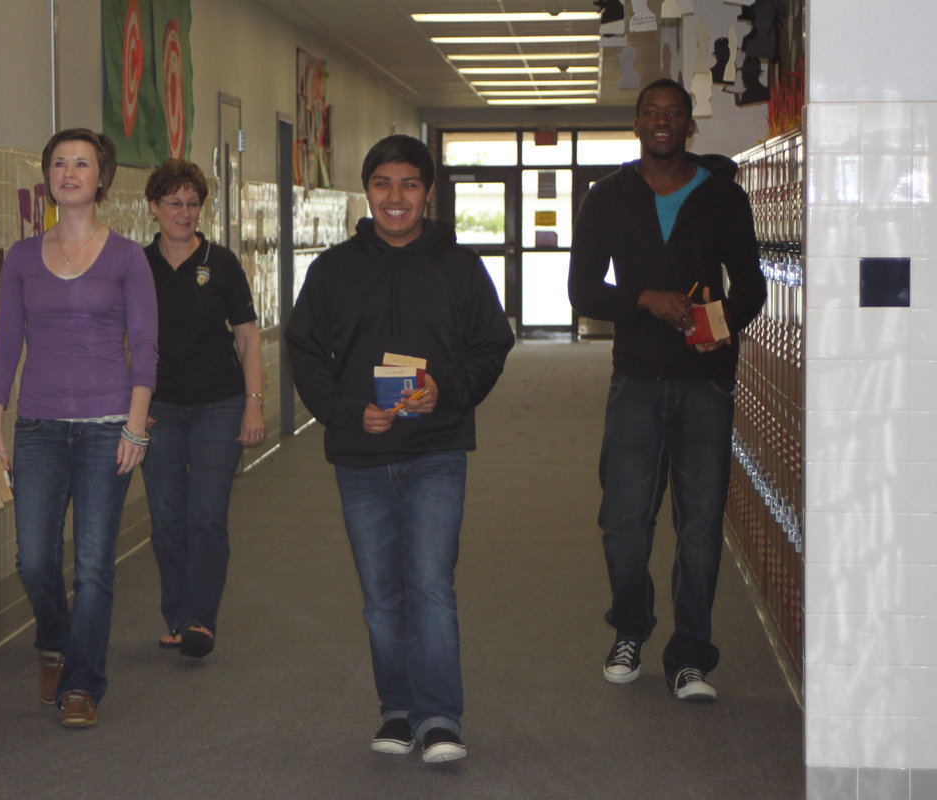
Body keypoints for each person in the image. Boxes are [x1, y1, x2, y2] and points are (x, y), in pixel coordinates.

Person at [285, 134, 514, 763]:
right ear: (368, 192)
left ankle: (439, 717)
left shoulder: (460, 268)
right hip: (360, 456)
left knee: (431, 586)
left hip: (436, 450)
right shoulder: (332, 271)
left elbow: (492, 345)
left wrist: (448, 392)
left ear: (428, 193)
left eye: (409, 184)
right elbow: (303, 351)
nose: (396, 197)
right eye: (383, 183)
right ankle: (397, 710)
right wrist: (343, 412)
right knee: (382, 595)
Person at [568, 79, 767, 701]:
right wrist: (642, 299)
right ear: (635, 124)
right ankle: (631, 626)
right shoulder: (606, 197)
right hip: (634, 382)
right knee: (622, 523)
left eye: (674, 114)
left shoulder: (723, 198)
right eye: (651, 113)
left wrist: (722, 325)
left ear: (689, 126)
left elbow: (753, 286)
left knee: (702, 525)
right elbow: (582, 291)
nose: (662, 122)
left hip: (705, 384)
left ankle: (690, 655)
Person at [0, 128, 157, 728]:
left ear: (102, 178)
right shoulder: (24, 258)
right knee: (34, 561)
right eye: (59, 163)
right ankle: (53, 639)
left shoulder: (129, 257)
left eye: (82, 163)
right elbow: (5, 348)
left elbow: (147, 349)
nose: (69, 172)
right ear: (47, 176)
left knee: (97, 563)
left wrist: (135, 426)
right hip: (41, 427)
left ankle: (82, 685)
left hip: (108, 428)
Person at [140, 158, 264, 658]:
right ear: (154, 208)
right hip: (158, 408)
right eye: (174, 203)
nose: (184, 213)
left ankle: (201, 621)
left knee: (207, 516)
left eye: (193, 204)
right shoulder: (136, 265)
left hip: (219, 403)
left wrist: (254, 405)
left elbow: (249, 340)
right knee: (168, 517)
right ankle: (177, 615)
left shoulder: (223, 263)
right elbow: (121, 340)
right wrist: (132, 405)